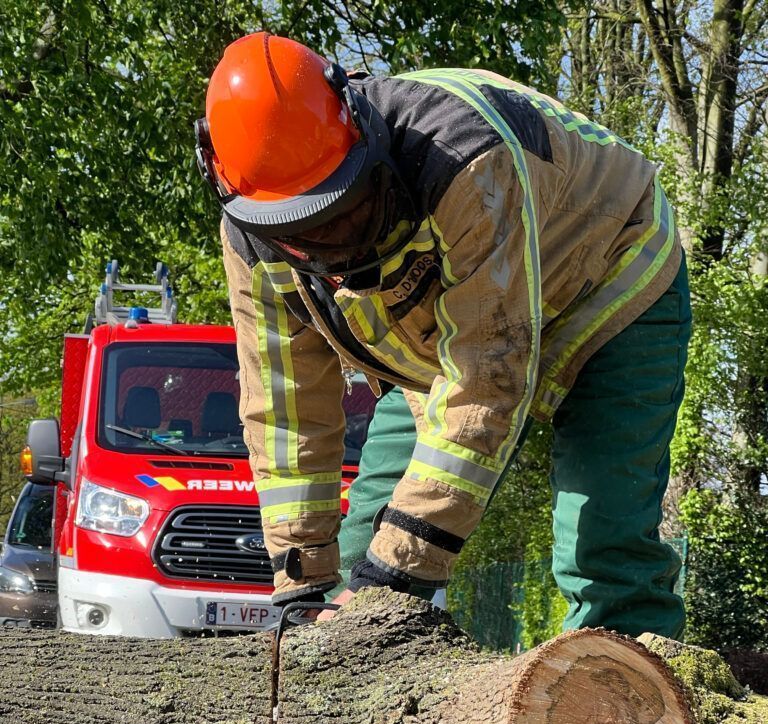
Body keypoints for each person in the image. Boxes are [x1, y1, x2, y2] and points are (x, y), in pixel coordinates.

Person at [196, 30, 691, 638]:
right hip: (445, 341)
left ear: (364, 140)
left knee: (601, 539)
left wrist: (391, 586)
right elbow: (284, 409)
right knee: (363, 552)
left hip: (609, 274)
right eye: (302, 230)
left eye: (343, 209)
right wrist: (303, 584)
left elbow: (487, 382)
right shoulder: (250, 240)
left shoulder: (464, 160)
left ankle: (638, 690)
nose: (333, 244)